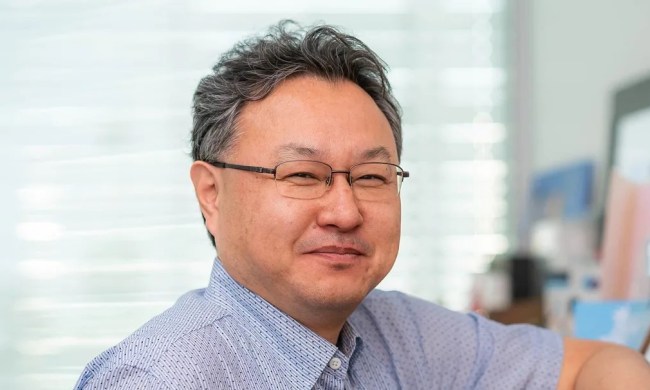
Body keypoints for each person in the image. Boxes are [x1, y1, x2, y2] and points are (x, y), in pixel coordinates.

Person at [75, 21, 650, 389]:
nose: (345, 212)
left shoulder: (399, 332)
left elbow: (594, 364)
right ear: (211, 194)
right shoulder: (161, 376)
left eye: (373, 176)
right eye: (303, 174)